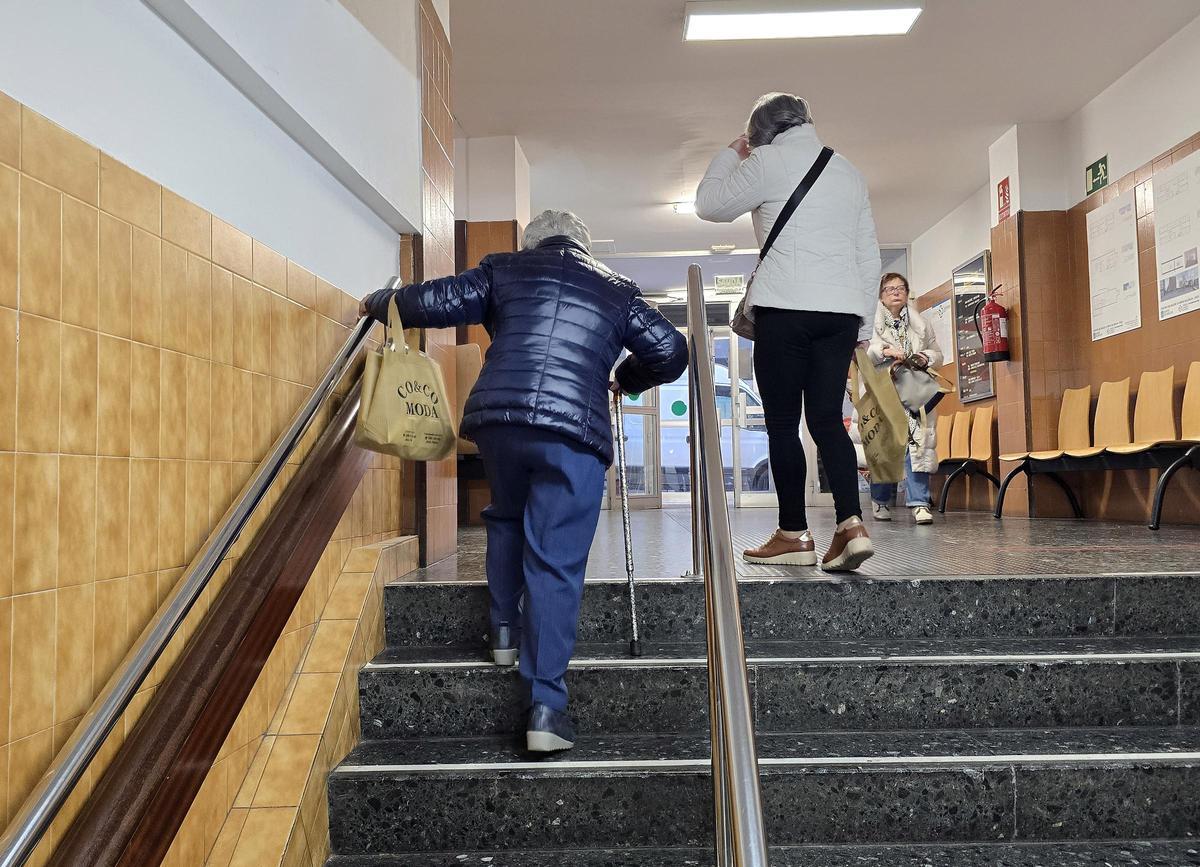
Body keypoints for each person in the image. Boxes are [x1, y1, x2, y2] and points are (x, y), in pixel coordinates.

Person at [361, 210, 687, 753]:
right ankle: (546, 707)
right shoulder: (617, 289)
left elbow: (437, 301)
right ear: (585, 246)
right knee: (555, 558)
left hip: (500, 420)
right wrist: (624, 380)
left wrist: (380, 301)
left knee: (507, 516)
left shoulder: (503, 268)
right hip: (573, 433)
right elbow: (671, 351)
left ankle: (504, 631)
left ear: (531, 243)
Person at [695, 92, 881, 572]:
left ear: (760, 132)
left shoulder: (767, 161)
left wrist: (731, 154)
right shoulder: (849, 171)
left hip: (785, 308)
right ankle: (851, 524)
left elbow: (709, 205)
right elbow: (867, 254)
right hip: (840, 313)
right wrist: (863, 323)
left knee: (782, 423)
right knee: (825, 420)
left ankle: (794, 533)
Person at [867, 272, 943, 525]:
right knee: (886, 445)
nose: (896, 292)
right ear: (881, 295)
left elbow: (937, 353)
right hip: (884, 389)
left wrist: (925, 357)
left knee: (916, 444)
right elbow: (863, 352)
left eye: (900, 288)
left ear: (908, 292)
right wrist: (885, 350)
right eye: (889, 289)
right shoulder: (871, 322)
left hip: (914, 390)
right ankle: (880, 500)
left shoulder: (921, 323)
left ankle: (919, 503)